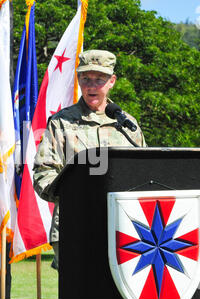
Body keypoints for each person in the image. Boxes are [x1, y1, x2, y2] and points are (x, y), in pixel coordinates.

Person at [33, 49, 147, 269]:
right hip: (75, 227)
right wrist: (72, 194)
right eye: (85, 78)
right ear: (78, 80)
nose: (91, 85)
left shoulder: (127, 125)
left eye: (99, 79)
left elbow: (145, 172)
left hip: (125, 228)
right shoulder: (61, 122)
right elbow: (43, 172)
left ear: (112, 81)